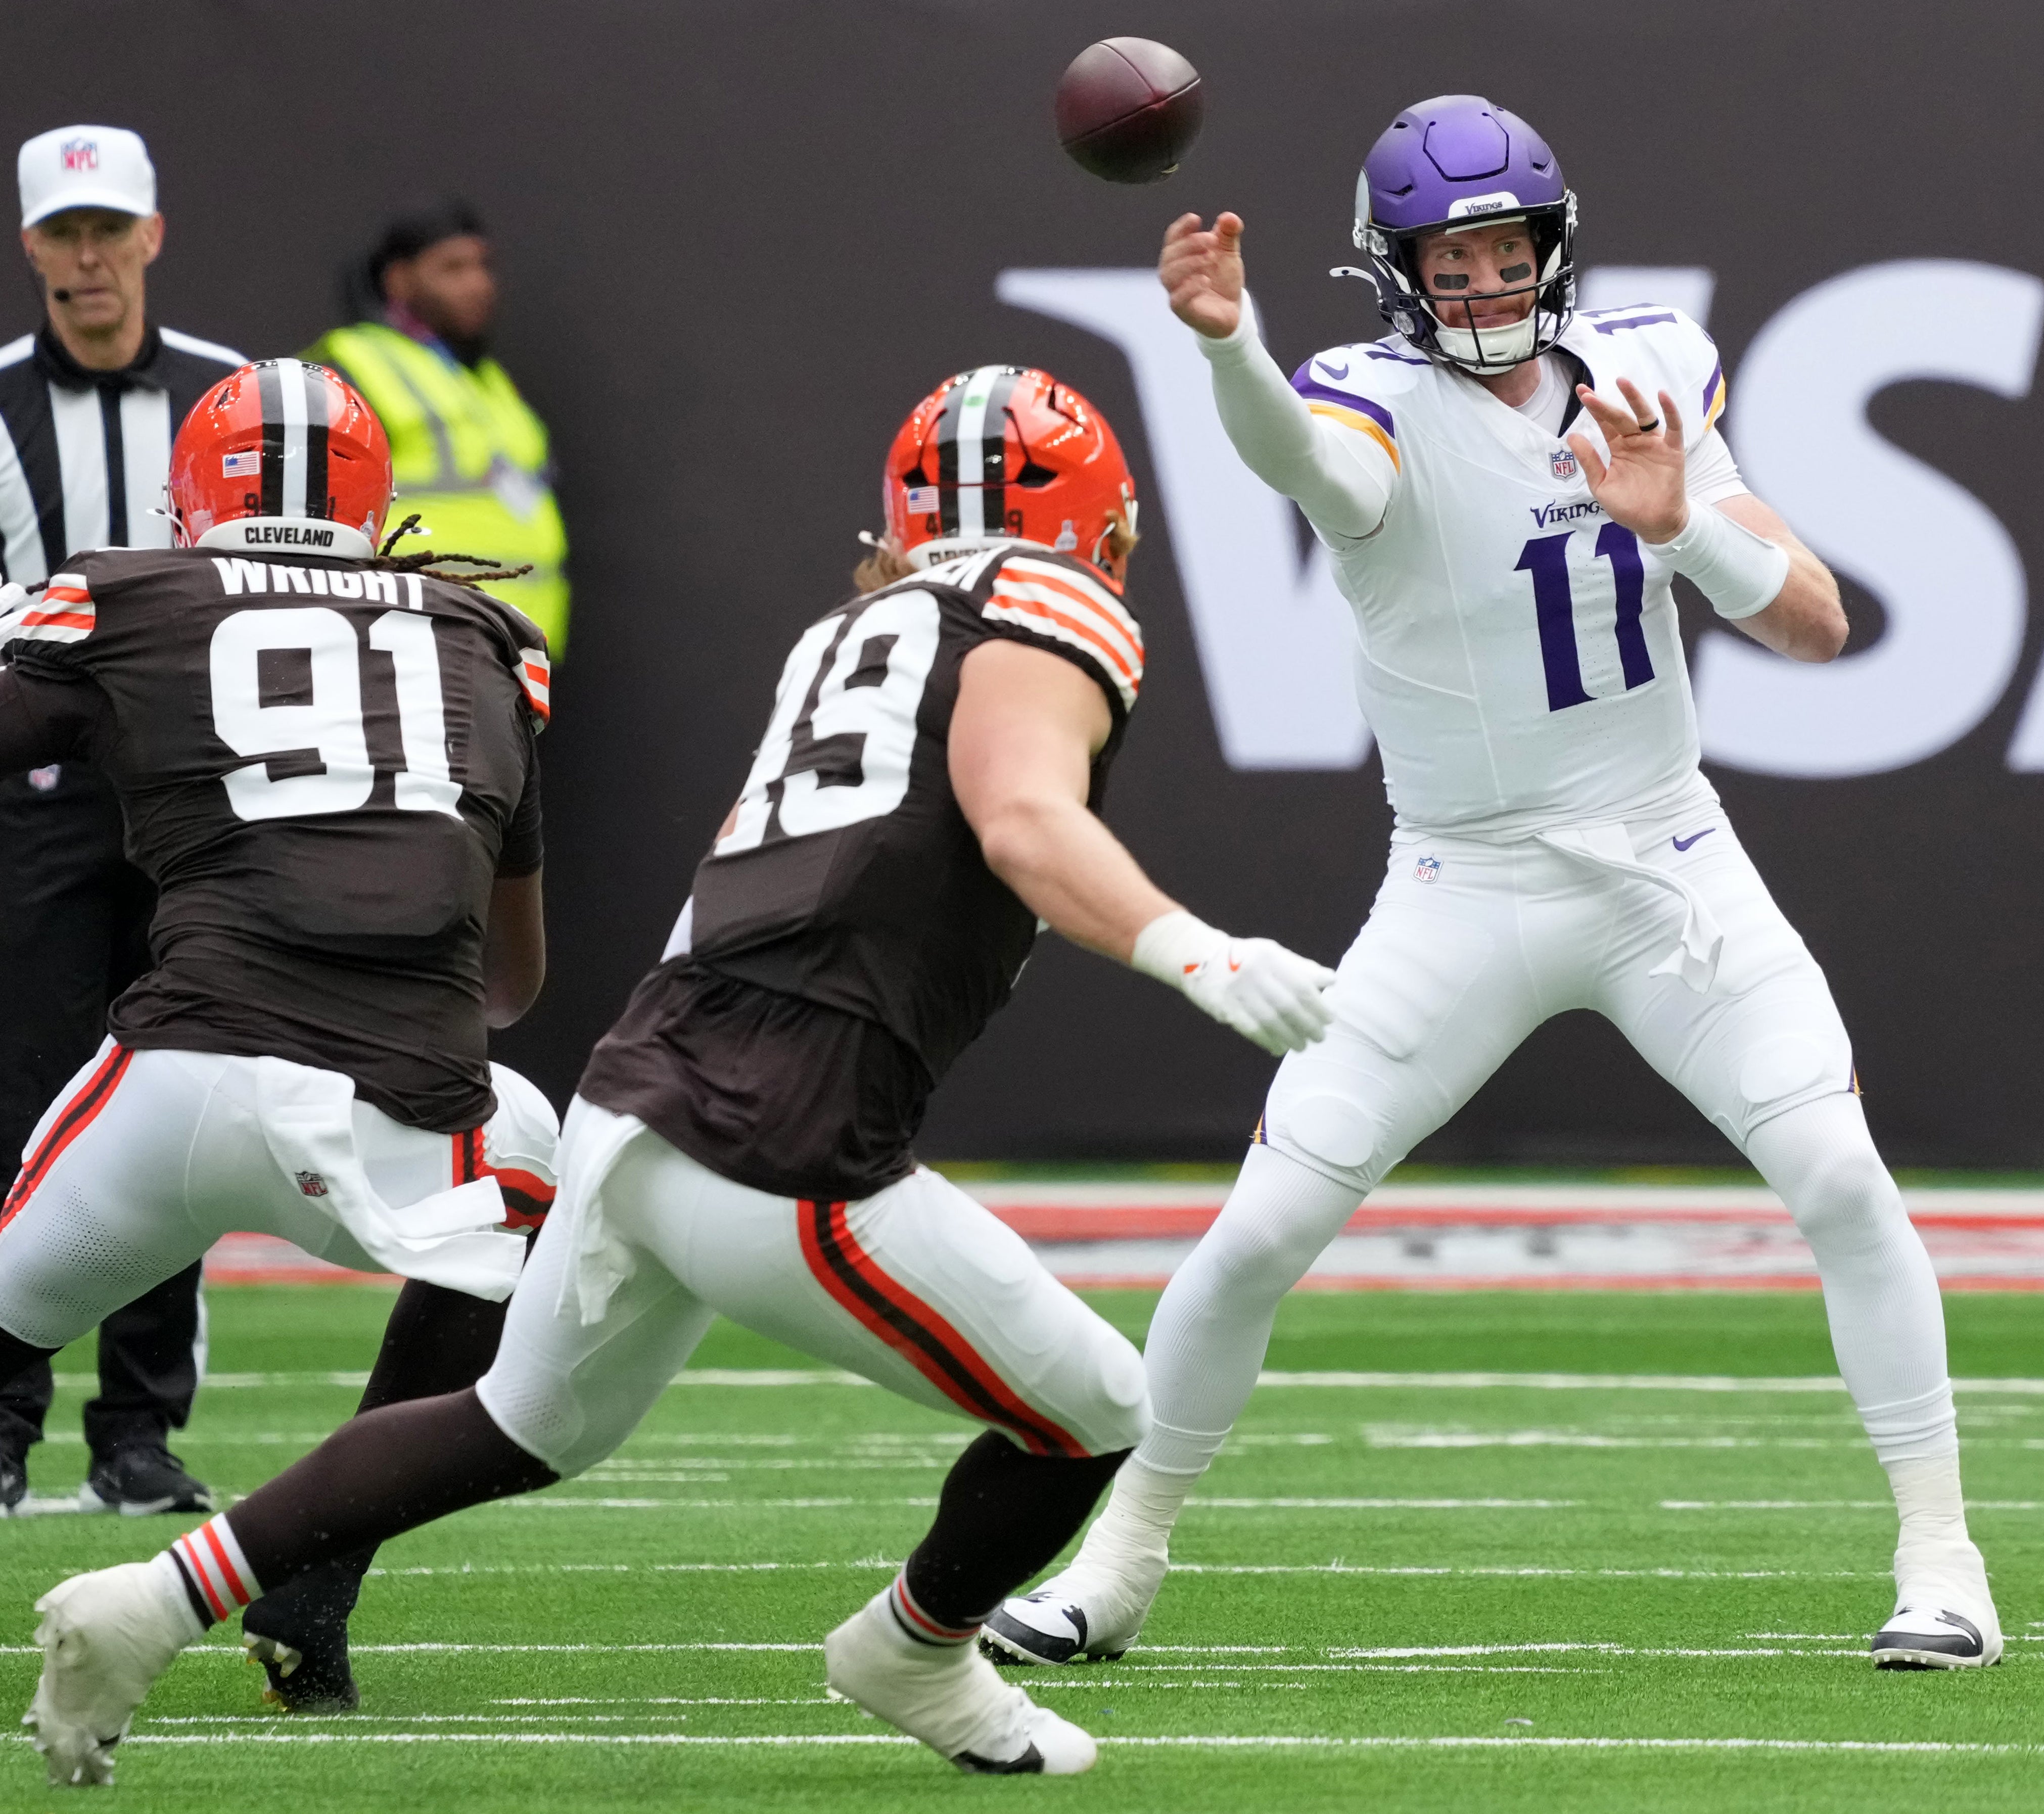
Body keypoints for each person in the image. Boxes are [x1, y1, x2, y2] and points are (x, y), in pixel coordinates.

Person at [25, 364, 1338, 1787]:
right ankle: (915, 1644)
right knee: (1094, 1408)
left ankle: (140, 1604)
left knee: (521, 1422)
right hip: (787, 1127)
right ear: (1106, 532)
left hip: (640, 1082)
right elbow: (1019, 816)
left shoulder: (852, 627)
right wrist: (1195, 951)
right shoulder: (1051, 596)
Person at [989, 97, 2001, 1673]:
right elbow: (1305, 460)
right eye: (1444, 259)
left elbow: (1815, 623)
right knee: (1255, 1233)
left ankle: (1941, 1559)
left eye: (1499, 250)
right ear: (1395, 274)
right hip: (1458, 885)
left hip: (1668, 862)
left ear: (1551, 245)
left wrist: (1691, 532)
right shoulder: (1361, 397)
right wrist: (1222, 349)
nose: (1476, 283)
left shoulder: (1651, 368)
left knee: (1840, 1181)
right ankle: (1116, 1559)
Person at [0, 357, 562, 1777]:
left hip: (179, 1084)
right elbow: (512, 978)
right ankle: (314, 1567)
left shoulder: (128, 591)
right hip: (399, 1104)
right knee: (532, 1144)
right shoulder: (484, 634)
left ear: (196, 495)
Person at [0, 124, 253, 1519]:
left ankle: (137, 1432)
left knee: (176, 1107)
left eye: (109, 230)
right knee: (23, 1105)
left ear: (151, 233)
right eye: (63, 232)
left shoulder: (228, 401)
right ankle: (1, 1413)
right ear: (31, 242)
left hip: (185, 806)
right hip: (31, 800)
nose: (87, 257)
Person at [305, 202, 569, 656]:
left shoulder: (487, 380)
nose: (479, 284)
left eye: (483, 266)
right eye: (452, 268)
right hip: (421, 647)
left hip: (518, 655)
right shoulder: (353, 365)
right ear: (399, 280)